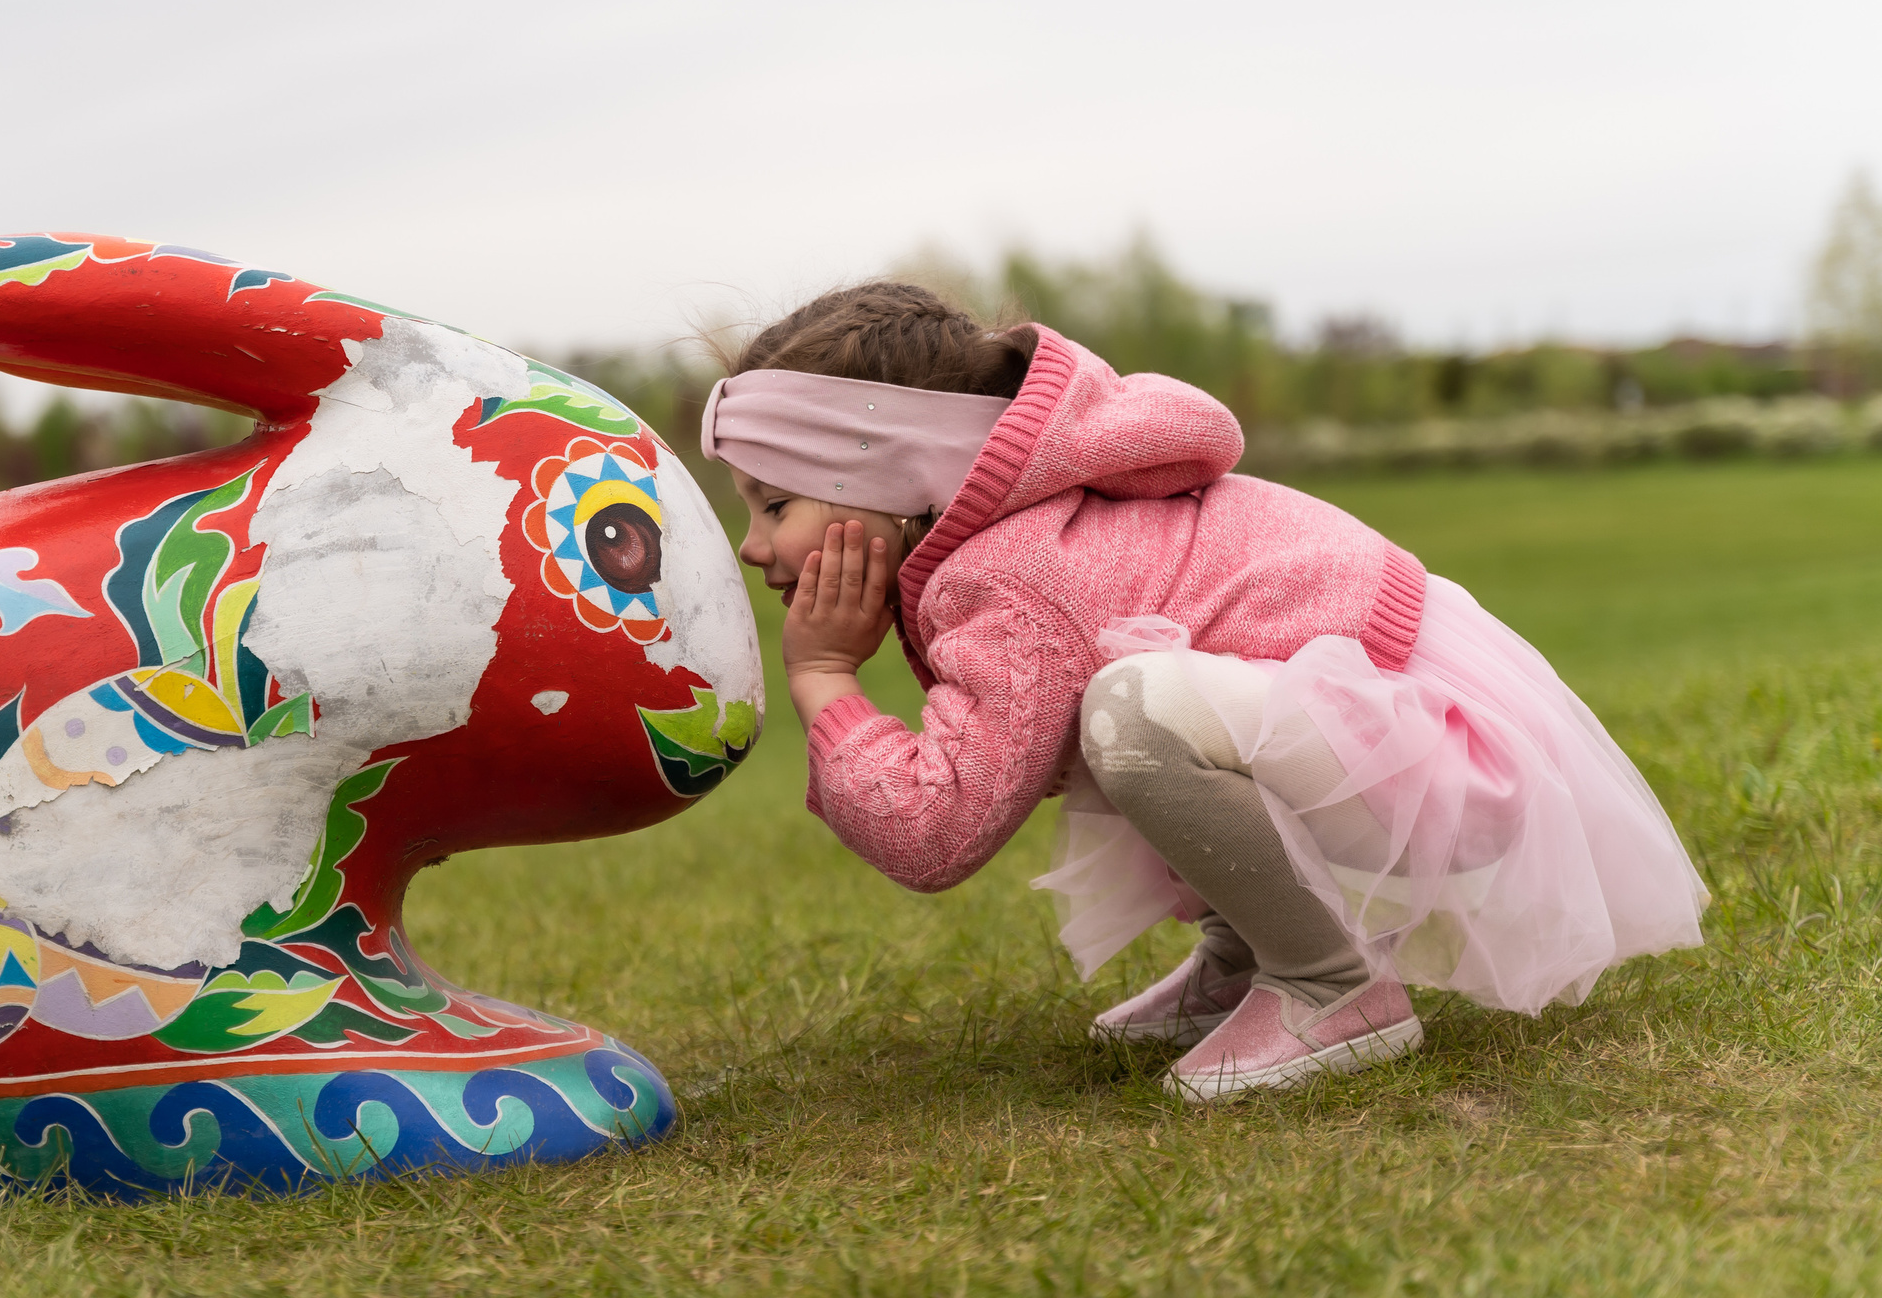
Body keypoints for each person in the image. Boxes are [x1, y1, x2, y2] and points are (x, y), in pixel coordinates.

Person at [699, 283, 1708, 1101]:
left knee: (1134, 710)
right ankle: (1245, 955)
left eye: (774, 504)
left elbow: (936, 833)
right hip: (1397, 727)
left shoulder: (1009, 572)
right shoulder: (1026, 530)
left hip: (1435, 762)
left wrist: (823, 676)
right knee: (1131, 692)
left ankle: (1330, 986)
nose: (752, 546)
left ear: (895, 475)